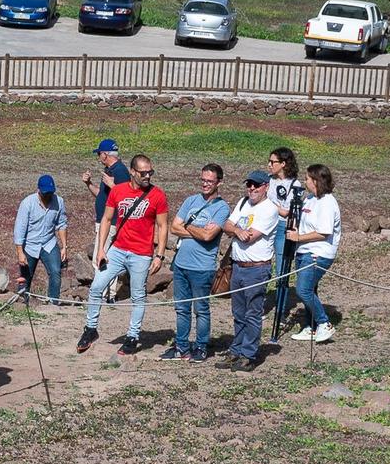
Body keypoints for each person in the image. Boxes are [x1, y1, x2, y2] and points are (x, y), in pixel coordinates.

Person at [77, 154, 169, 357]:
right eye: (143, 173)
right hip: (118, 249)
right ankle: (90, 329)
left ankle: (133, 336)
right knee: (97, 286)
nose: (147, 176)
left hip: (141, 253)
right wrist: (101, 249)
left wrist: (159, 255)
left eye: (150, 172)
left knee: (138, 296)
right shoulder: (118, 190)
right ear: (133, 172)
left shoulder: (157, 195)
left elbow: (163, 226)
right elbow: (107, 218)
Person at [163, 165, 230, 363]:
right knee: (181, 308)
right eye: (203, 180)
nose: (205, 184)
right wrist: (198, 230)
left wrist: (188, 226)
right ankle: (181, 346)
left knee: (201, 309)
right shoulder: (191, 200)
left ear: (219, 182)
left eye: (210, 181)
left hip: (202, 267)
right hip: (181, 264)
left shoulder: (221, 207)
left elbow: (210, 236)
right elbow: (174, 227)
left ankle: (201, 346)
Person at [221, 172, 281, 371]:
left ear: (265, 186)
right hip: (238, 266)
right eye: (249, 185)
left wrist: (236, 230)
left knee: (252, 313)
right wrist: (237, 230)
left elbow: (251, 237)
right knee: (238, 312)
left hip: (257, 268)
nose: (252, 189)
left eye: (256, 185)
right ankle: (236, 350)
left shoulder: (269, 210)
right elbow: (228, 225)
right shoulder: (242, 202)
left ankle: (248, 354)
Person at [286, 163, 341, 344]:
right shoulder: (309, 199)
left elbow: (323, 232)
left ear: (317, 181)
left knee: (303, 289)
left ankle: (324, 323)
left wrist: (298, 237)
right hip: (303, 251)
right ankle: (310, 327)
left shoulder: (327, 203)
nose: (305, 181)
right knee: (310, 289)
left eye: (308, 178)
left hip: (318, 253)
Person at [266, 146, 306, 336]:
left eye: (273, 162)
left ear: (283, 164)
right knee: (263, 266)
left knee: (282, 270)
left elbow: (289, 211)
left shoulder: (295, 185)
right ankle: (261, 306)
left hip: (282, 228)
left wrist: (270, 205)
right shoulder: (268, 182)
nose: (269, 165)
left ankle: (280, 312)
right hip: (267, 226)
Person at [11, 174, 70, 303]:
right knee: (26, 276)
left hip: (49, 243)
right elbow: (19, 230)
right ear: (38, 190)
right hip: (30, 244)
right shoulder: (27, 203)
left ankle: (53, 303)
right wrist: (20, 253)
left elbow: (62, 224)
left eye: (50, 193)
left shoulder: (59, 201)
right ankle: (22, 302)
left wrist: (64, 247)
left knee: (55, 272)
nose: (48, 196)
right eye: (45, 193)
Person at [80, 137, 132, 254]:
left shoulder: (120, 171)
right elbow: (101, 195)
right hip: (104, 221)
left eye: (99, 154)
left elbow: (127, 198)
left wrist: (113, 185)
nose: (98, 157)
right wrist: (88, 183)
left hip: (111, 223)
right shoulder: (109, 170)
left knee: (100, 260)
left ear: (105, 154)